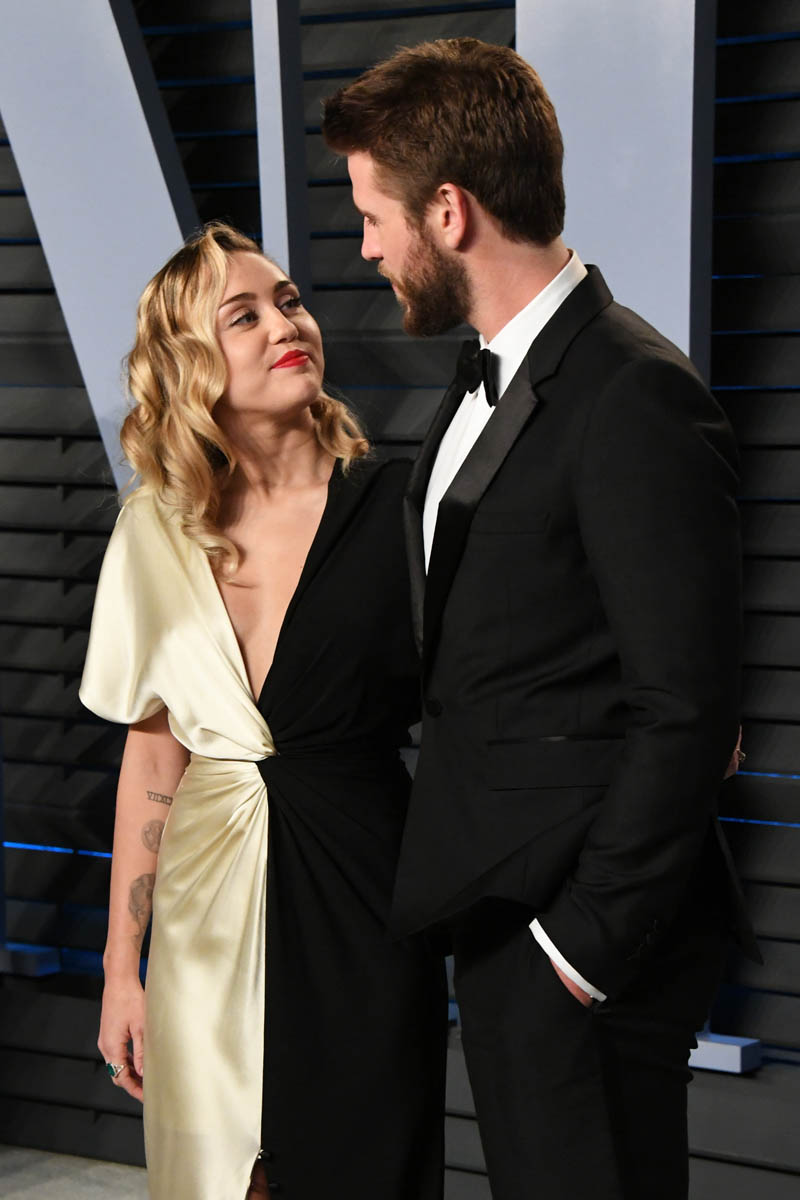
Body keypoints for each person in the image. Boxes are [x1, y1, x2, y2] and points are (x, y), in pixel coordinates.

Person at [322, 38, 759, 1200]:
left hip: (579, 944)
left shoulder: (630, 392)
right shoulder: (490, 375)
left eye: (372, 217)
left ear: (448, 212)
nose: (364, 248)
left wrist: (577, 950)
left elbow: (686, 708)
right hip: (498, 913)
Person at [79, 221, 447, 1200]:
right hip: (202, 912)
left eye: (288, 302)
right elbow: (153, 761)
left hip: (366, 895)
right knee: (223, 1178)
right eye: (242, 315)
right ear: (188, 361)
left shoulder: (402, 506)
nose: (286, 324)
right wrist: (123, 969)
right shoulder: (154, 529)